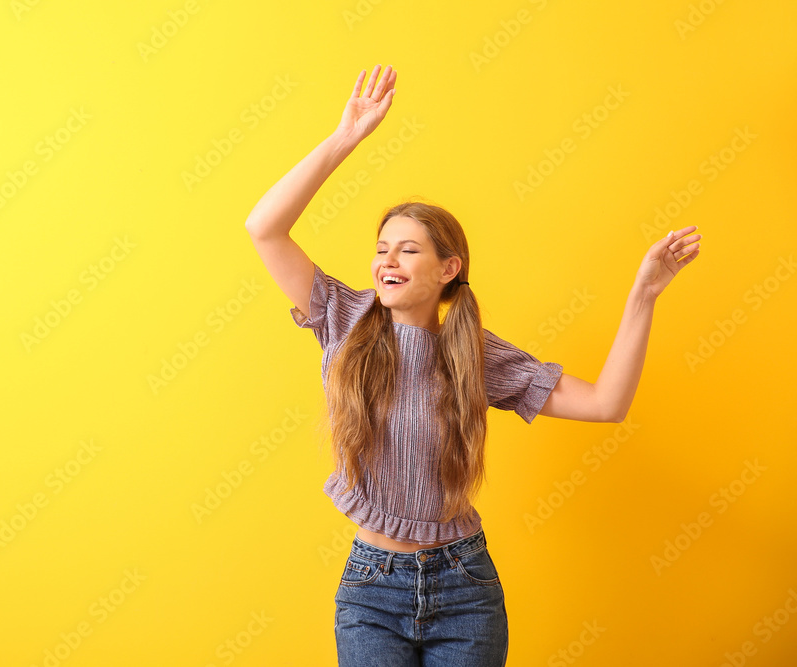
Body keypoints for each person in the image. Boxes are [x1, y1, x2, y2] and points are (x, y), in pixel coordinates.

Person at [244, 64, 701, 666]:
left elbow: (606, 404)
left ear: (448, 268)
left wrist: (643, 295)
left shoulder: (472, 352)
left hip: (465, 588)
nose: (388, 260)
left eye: (408, 249)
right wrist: (344, 138)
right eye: (382, 249)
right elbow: (264, 228)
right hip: (371, 591)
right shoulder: (343, 317)